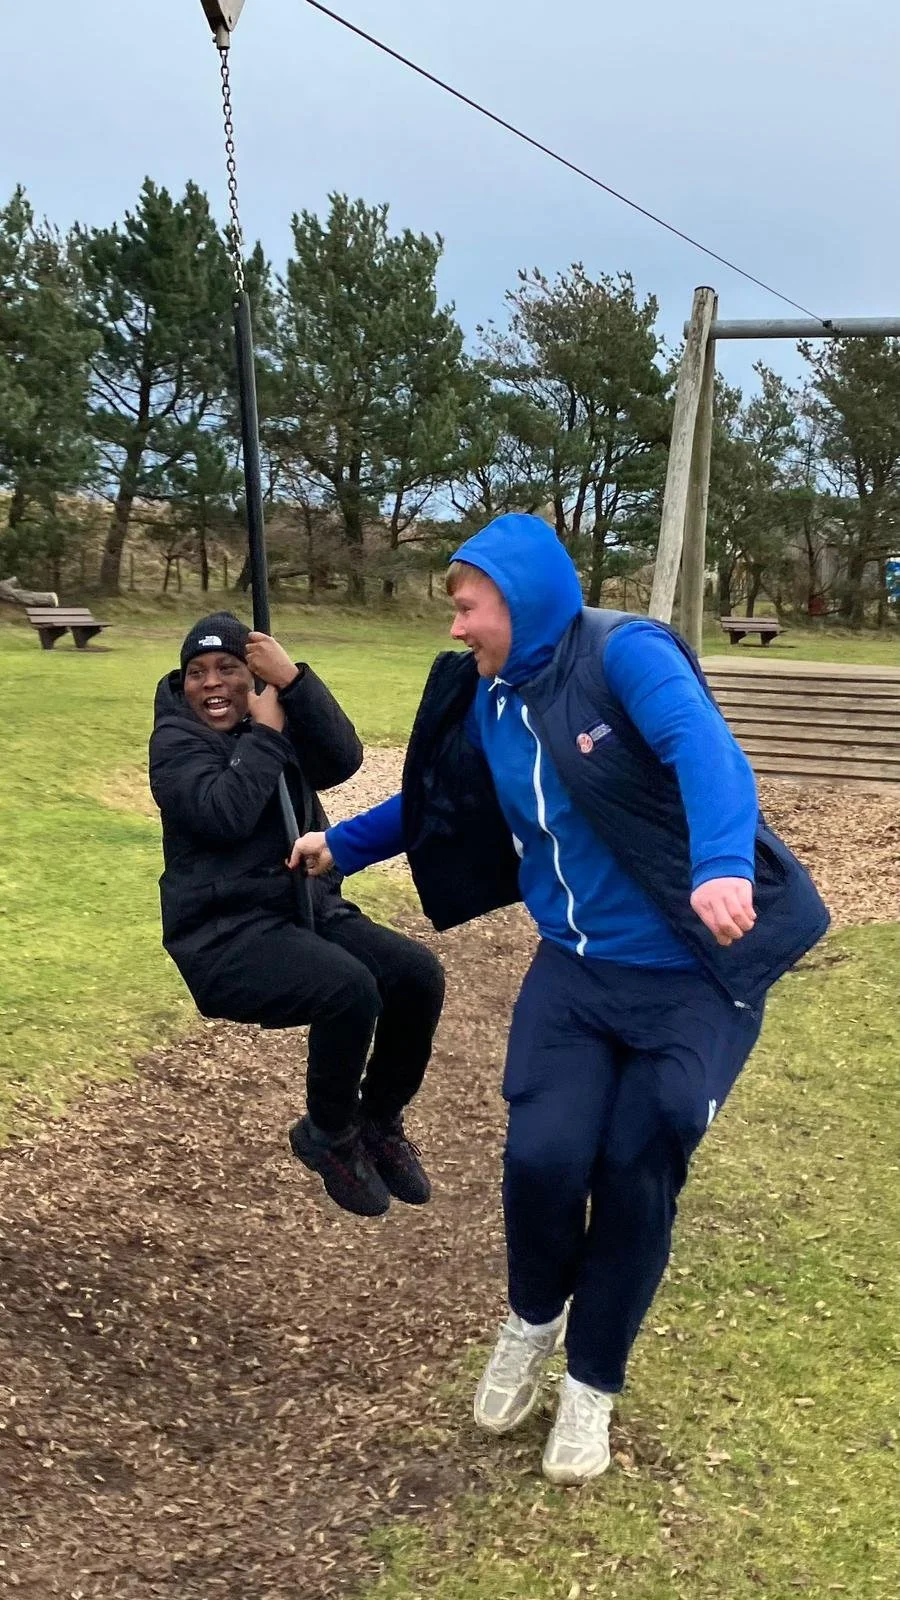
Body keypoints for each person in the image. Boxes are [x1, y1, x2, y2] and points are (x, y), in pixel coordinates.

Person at [289, 516, 829, 1485]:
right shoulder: (494, 704)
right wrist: (346, 844)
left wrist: (719, 867)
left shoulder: (626, 656)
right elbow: (441, 803)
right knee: (543, 1155)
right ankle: (534, 1320)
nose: (457, 628)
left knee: (638, 1162)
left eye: (467, 606)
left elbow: (706, 750)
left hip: (692, 978)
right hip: (576, 973)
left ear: (520, 597)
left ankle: (592, 1385)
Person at [148, 611, 445, 1220]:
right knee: (349, 988)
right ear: (182, 684)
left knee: (417, 976)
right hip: (223, 935)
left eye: (229, 669)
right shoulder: (175, 741)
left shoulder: (273, 711)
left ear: (250, 676)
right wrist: (265, 735)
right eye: (197, 672)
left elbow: (341, 759)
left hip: (308, 908)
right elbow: (222, 814)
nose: (211, 684)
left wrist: (296, 681)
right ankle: (328, 1134)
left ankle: (377, 1120)